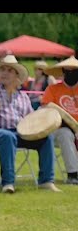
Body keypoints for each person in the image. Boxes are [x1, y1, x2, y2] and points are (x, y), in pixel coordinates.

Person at [0, 55, 60, 193]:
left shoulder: (22, 97)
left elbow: (30, 119)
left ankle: (46, 181)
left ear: (17, 75)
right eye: (2, 69)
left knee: (46, 138)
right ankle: (8, 183)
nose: (4, 73)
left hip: (19, 133)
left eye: (9, 70)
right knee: (7, 136)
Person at [41, 56, 78, 185]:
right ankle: (73, 174)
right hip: (57, 130)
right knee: (65, 133)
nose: (71, 74)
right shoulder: (52, 89)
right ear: (63, 72)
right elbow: (46, 110)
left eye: (74, 71)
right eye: (68, 71)